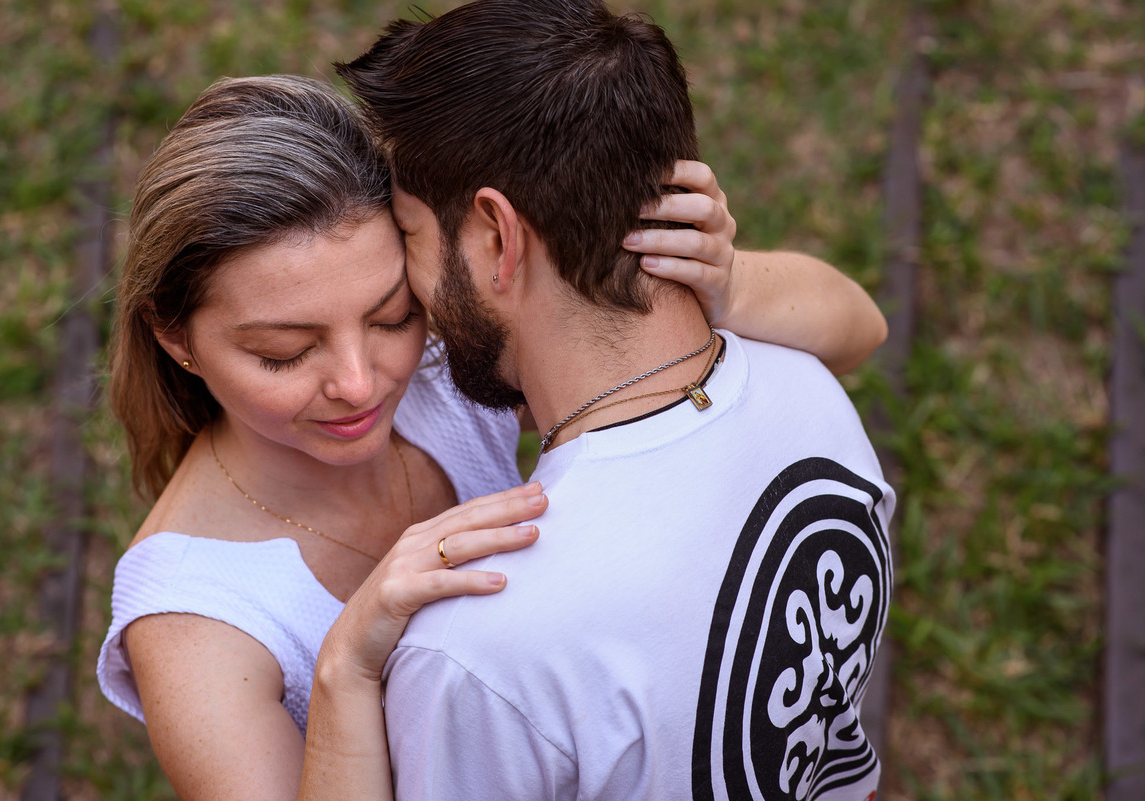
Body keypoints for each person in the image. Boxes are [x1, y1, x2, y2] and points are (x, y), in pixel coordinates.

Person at [95, 72, 886, 801]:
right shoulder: (193, 625)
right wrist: (345, 670)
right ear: (176, 339)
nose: (360, 383)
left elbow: (854, 330)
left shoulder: (445, 371)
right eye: (284, 352)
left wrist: (725, 275)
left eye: (391, 316)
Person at [335, 1, 897, 799]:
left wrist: (341, 670)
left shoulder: (479, 650)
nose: (412, 295)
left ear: (497, 237)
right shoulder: (811, 396)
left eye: (412, 236)